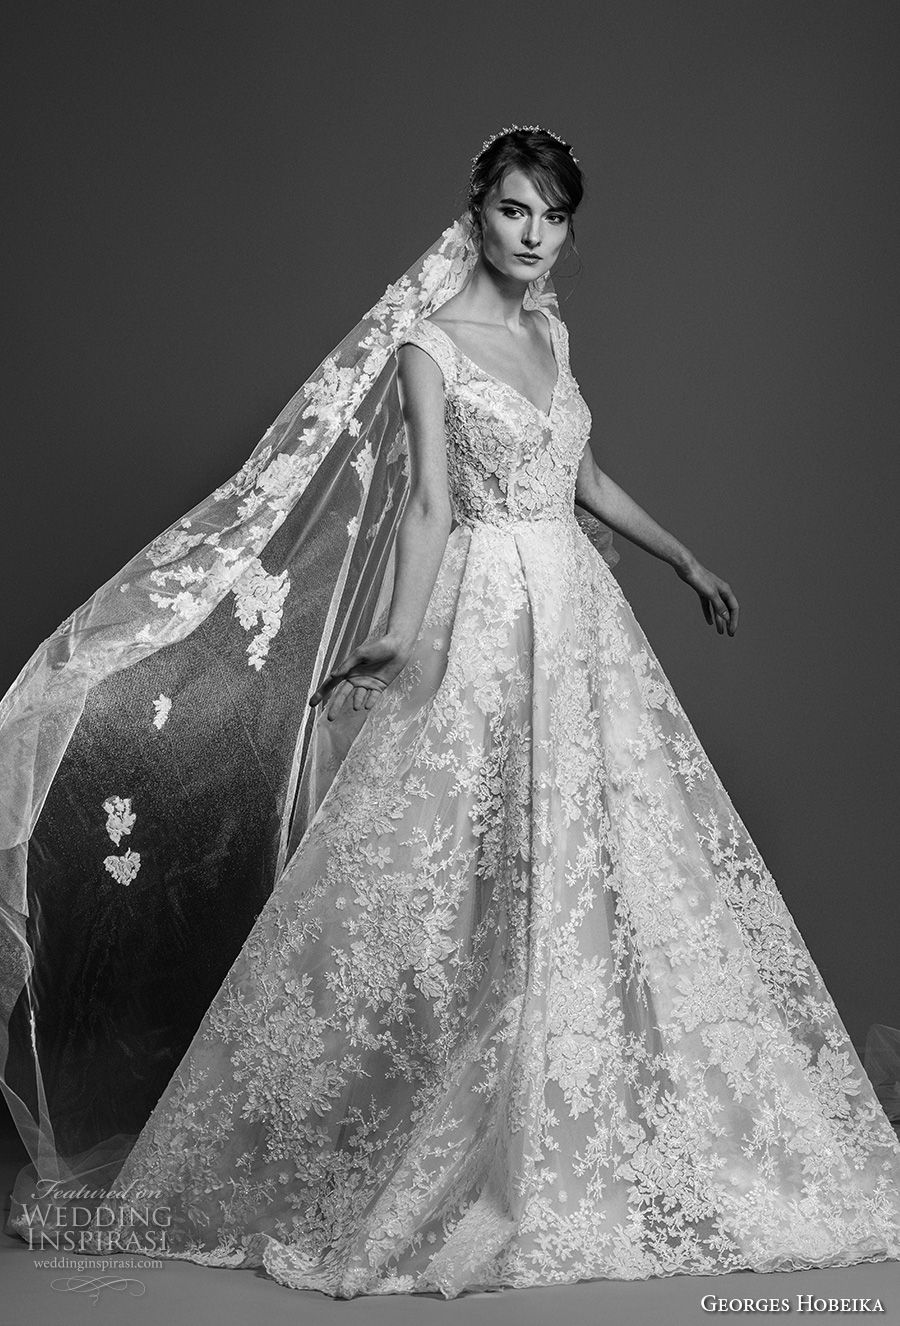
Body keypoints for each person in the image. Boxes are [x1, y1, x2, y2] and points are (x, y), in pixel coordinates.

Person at [2, 127, 899, 1301]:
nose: (535, 235)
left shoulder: (551, 334)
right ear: (477, 212)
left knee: (593, 858)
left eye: (554, 217)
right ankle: (479, 1134)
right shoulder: (429, 345)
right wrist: (393, 628)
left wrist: (684, 559)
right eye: (516, 210)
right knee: (474, 869)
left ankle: (567, 1118)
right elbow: (427, 503)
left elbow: (582, 477)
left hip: (576, 619)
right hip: (483, 615)